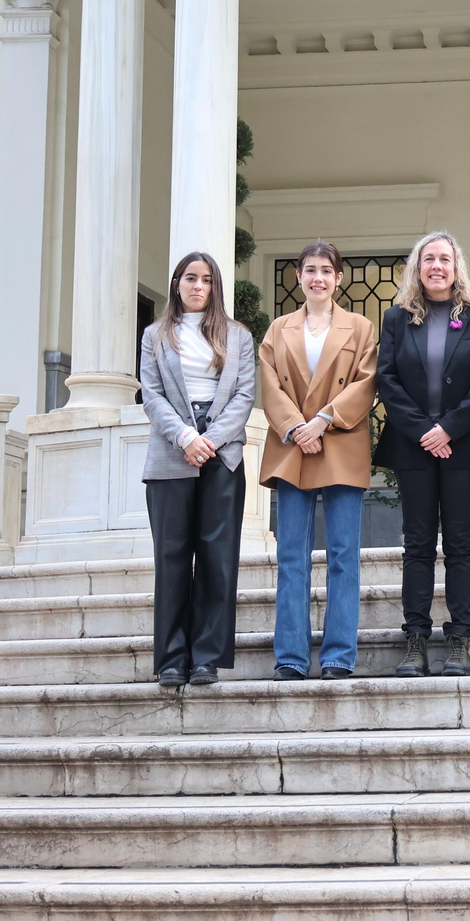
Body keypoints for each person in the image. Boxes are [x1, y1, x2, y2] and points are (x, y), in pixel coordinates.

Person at [373, 230, 470, 677]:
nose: (436, 267)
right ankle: (415, 639)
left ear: (456, 267)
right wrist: (424, 431)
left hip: (464, 446)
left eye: (444, 259)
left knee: (462, 545)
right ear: (417, 266)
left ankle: (459, 640)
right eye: (428, 259)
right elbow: (386, 379)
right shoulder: (396, 319)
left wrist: (447, 428)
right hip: (413, 446)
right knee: (417, 545)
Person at [258, 241, 378, 681]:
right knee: (292, 555)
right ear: (298, 277)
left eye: (326, 270)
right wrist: (295, 426)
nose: (318, 278)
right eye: (310, 270)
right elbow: (269, 385)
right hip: (293, 445)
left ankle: (338, 656)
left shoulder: (361, 327)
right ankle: (290, 656)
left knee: (345, 554)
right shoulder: (277, 330)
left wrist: (323, 420)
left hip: (340, 440)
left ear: (339, 278)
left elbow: (366, 383)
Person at [139, 252, 256, 687]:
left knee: (216, 559)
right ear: (176, 283)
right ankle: (171, 659)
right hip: (172, 454)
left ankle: (206, 657)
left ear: (215, 287)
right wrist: (186, 437)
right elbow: (151, 395)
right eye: (190, 278)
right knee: (171, 559)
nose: (198, 286)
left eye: (206, 280)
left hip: (222, 454)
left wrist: (212, 439)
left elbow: (244, 396)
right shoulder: (155, 335)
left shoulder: (237, 335)